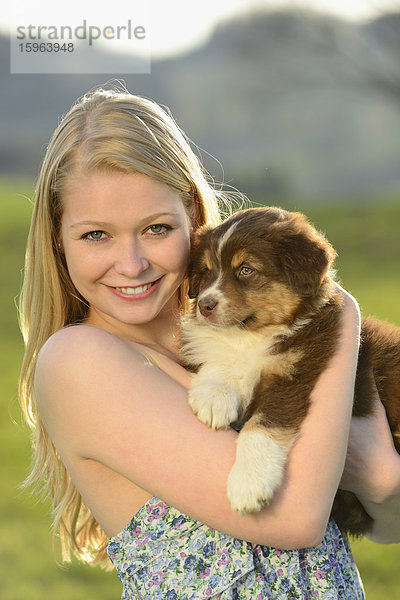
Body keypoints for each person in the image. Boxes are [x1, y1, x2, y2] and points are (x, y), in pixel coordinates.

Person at [18, 87, 400, 599]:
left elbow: (382, 523)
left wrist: (382, 482)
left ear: (195, 219)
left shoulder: (233, 341)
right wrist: (339, 313)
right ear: (56, 241)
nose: (131, 264)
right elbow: (296, 520)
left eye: (155, 229)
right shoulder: (79, 362)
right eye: (96, 236)